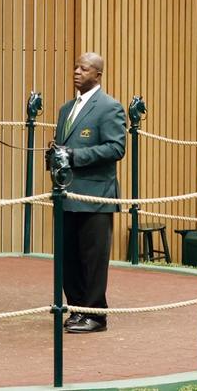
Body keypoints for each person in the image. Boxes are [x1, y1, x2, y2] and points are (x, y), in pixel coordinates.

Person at [56, 52, 126, 334]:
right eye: (76, 67)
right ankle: (77, 309)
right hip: (67, 195)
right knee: (68, 257)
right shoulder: (65, 109)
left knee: (93, 259)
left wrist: (74, 156)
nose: (77, 72)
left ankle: (96, 315)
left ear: (98, 74)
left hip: (96, 197)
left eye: (84, 69)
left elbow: (116, 148)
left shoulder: (110, 107)